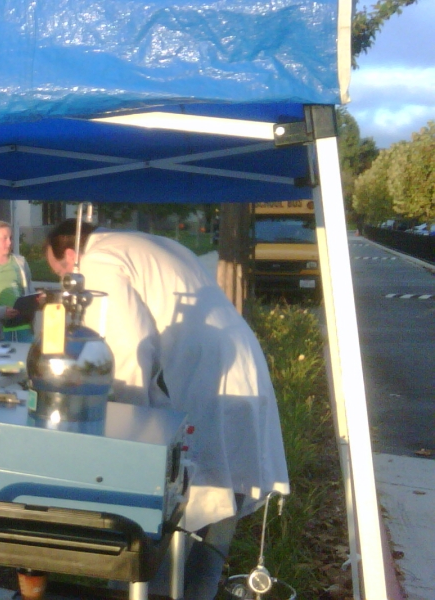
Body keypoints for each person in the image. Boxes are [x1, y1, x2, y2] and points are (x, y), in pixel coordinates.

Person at [44, 219, 289, 599]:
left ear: (72, 253)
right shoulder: (152, 243)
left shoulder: (98, 259)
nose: (67, 284)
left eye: (61, 272)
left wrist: (127, 440)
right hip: (240, 375)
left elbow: (128, 349)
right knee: (208, 550)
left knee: (152, 557)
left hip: (207, 389)